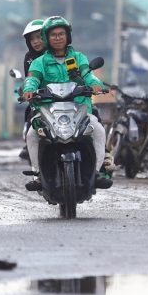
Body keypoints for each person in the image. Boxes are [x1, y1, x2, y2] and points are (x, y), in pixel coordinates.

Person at [21, 16, 112, 190]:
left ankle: (96, 171)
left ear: (68, 36)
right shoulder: (39, 62)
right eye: (53, 34)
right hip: (48, 109)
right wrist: (29, 89)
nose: (57, 37)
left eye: (61, 34)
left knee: (98, 129)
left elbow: (88, 74)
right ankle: (39, 175)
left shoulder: (78, 57)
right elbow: (32, 79)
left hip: (79, 107)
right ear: (47, 38)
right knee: (32, 133)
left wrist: (94, 84)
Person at [18, 19, 46, 162]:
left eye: (39, 37)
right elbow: (30, 78)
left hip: (64, 95)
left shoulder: (62, 53)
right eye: (32, 39)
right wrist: (28, 90)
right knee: (30, 112)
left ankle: (103, 154)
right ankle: (28, 145)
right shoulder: (29, 58)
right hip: (41, 98)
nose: (36, 41)